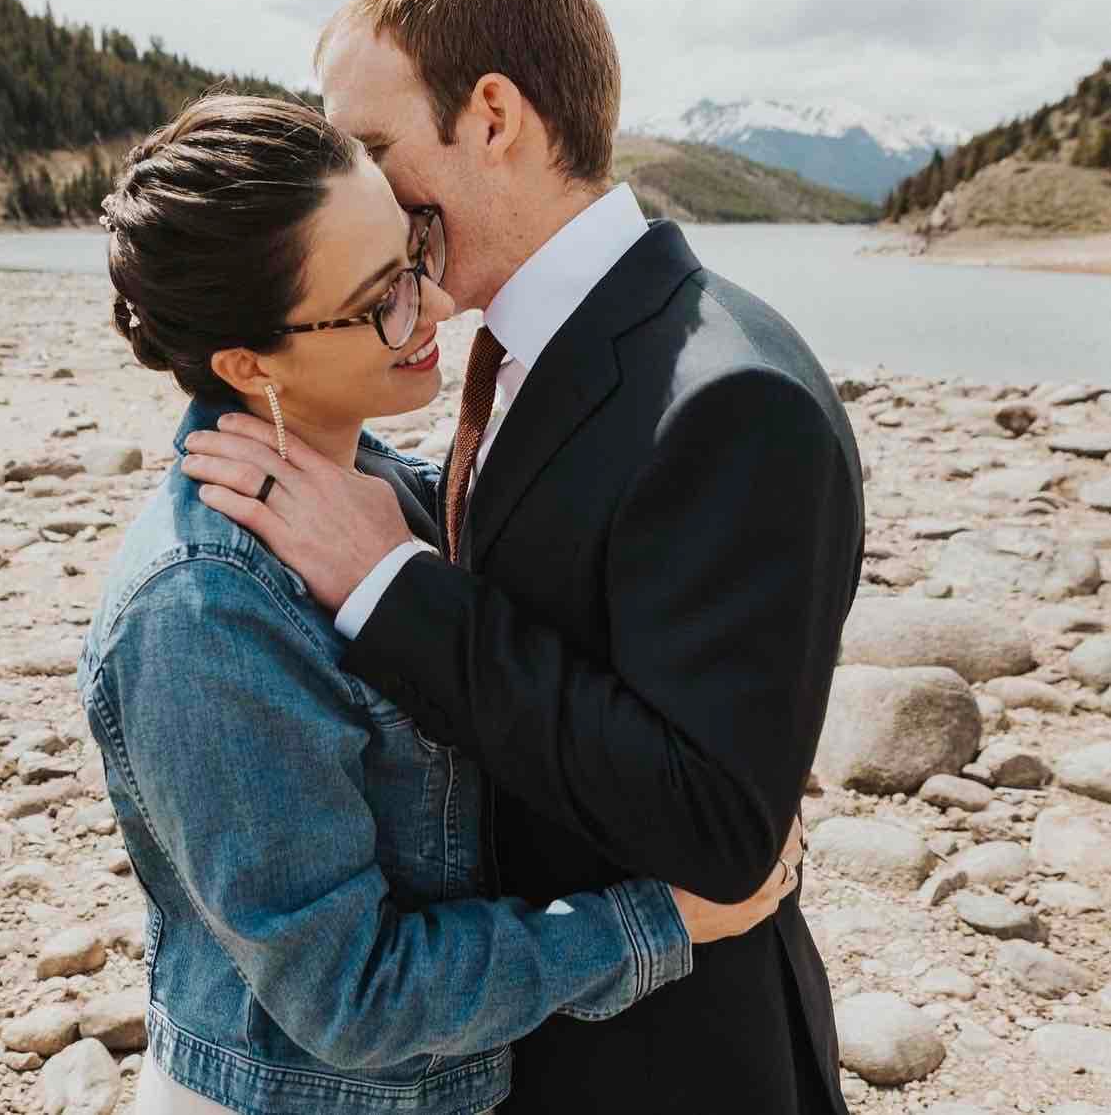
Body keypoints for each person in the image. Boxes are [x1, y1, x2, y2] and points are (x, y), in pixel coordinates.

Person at [184, 0, 866, 1115]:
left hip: (669, 1068)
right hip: (530, 1041)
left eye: (372, 148)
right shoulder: (525, 346)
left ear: (493, 116)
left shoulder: (732, 398)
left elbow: (717, 827)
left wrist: (390, 584)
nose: (360, 194)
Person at [78, 93, 804, 1115]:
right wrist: (665, 920)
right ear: (249, 364)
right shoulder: (201, 614)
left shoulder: (380, 484)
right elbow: (352, 996)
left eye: (413, 254)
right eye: (380, 299)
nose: (432, 306)